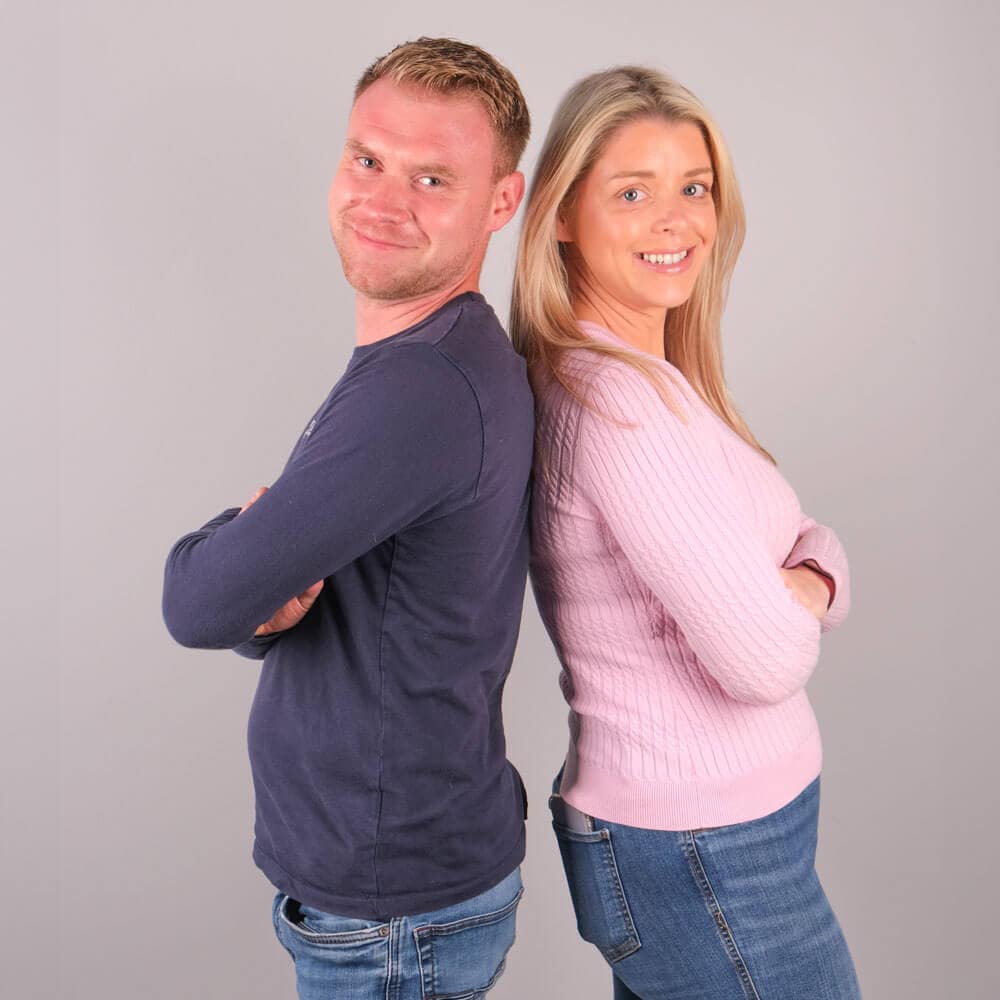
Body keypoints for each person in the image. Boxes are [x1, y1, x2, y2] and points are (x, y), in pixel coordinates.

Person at [162, 38, 532, 1000]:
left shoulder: (423, 391)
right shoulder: (436, 356)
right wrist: (261, 590)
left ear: (501, 202)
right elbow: (293, 595)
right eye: (367, 159)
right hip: (401, 883)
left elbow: (197, 603)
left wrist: (229, 560)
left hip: (390, 911)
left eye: (432, 178)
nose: (381, 199)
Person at [511, 66, 861, 999]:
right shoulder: (620, 403)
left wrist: (806, 578)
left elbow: (805, 539)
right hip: (708, 850)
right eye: (633, 192)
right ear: (564, 215)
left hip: (713, 843)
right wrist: (803, 588)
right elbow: (764, 660)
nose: (678, 221)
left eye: (693, 188)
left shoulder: (648, 377)